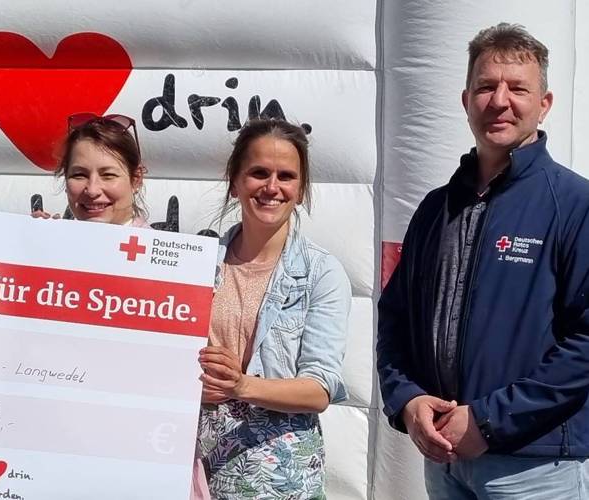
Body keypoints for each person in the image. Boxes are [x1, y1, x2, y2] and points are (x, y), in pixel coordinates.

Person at [377, 23, 589, 498]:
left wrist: (490, 420)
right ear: (466, 100)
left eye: (518, 88)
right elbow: (395, 318)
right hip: (445, 464)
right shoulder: (436, 209)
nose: (499, 101)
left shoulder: (575, 205)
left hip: (535, 469)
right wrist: (407, 400)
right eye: (486, 86)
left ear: (545, 103)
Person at [196, 118, 350, 499]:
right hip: (196, 469)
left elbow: (319, 388)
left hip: (281, 479)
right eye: (259, 173)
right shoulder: (196, 262)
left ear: (301, 189)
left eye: (286, 176)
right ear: (235, 181)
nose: (272, 187)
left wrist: (241, 386)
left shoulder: (321, 273)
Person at [32, 112, 148, 226]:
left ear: (135, 180)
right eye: (79, 175)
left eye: (108, 175)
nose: (92, 191)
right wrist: (36, 236)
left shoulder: (151, 238)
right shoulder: (55, 236)